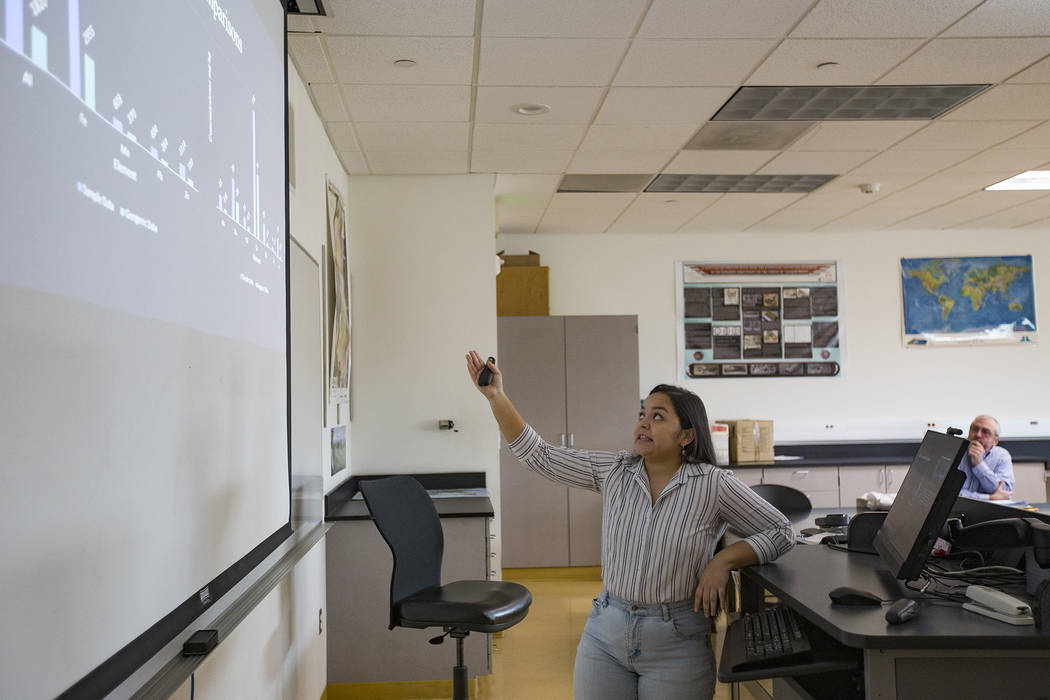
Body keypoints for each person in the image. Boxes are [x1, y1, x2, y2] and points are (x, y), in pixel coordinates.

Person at [465, 351, 794, 700]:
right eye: (642, 415)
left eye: (658, 416)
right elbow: (538, 455)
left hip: (677, 641)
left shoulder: (713, 484)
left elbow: (781, 531)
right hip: (605, 633)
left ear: (686, 436)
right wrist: (496, 396)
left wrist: (723, 561)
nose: (644, 423)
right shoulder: (615, 471)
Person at [957, 414, 1014, 501]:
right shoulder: (957, 451)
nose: (978, 435)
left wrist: (979, 464)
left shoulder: (1002, 456)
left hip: (988, 509)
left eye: (985, 432)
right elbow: (949, 492)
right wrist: (989, 498)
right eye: (974, 429)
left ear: (995, 441)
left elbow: (1004, 492)